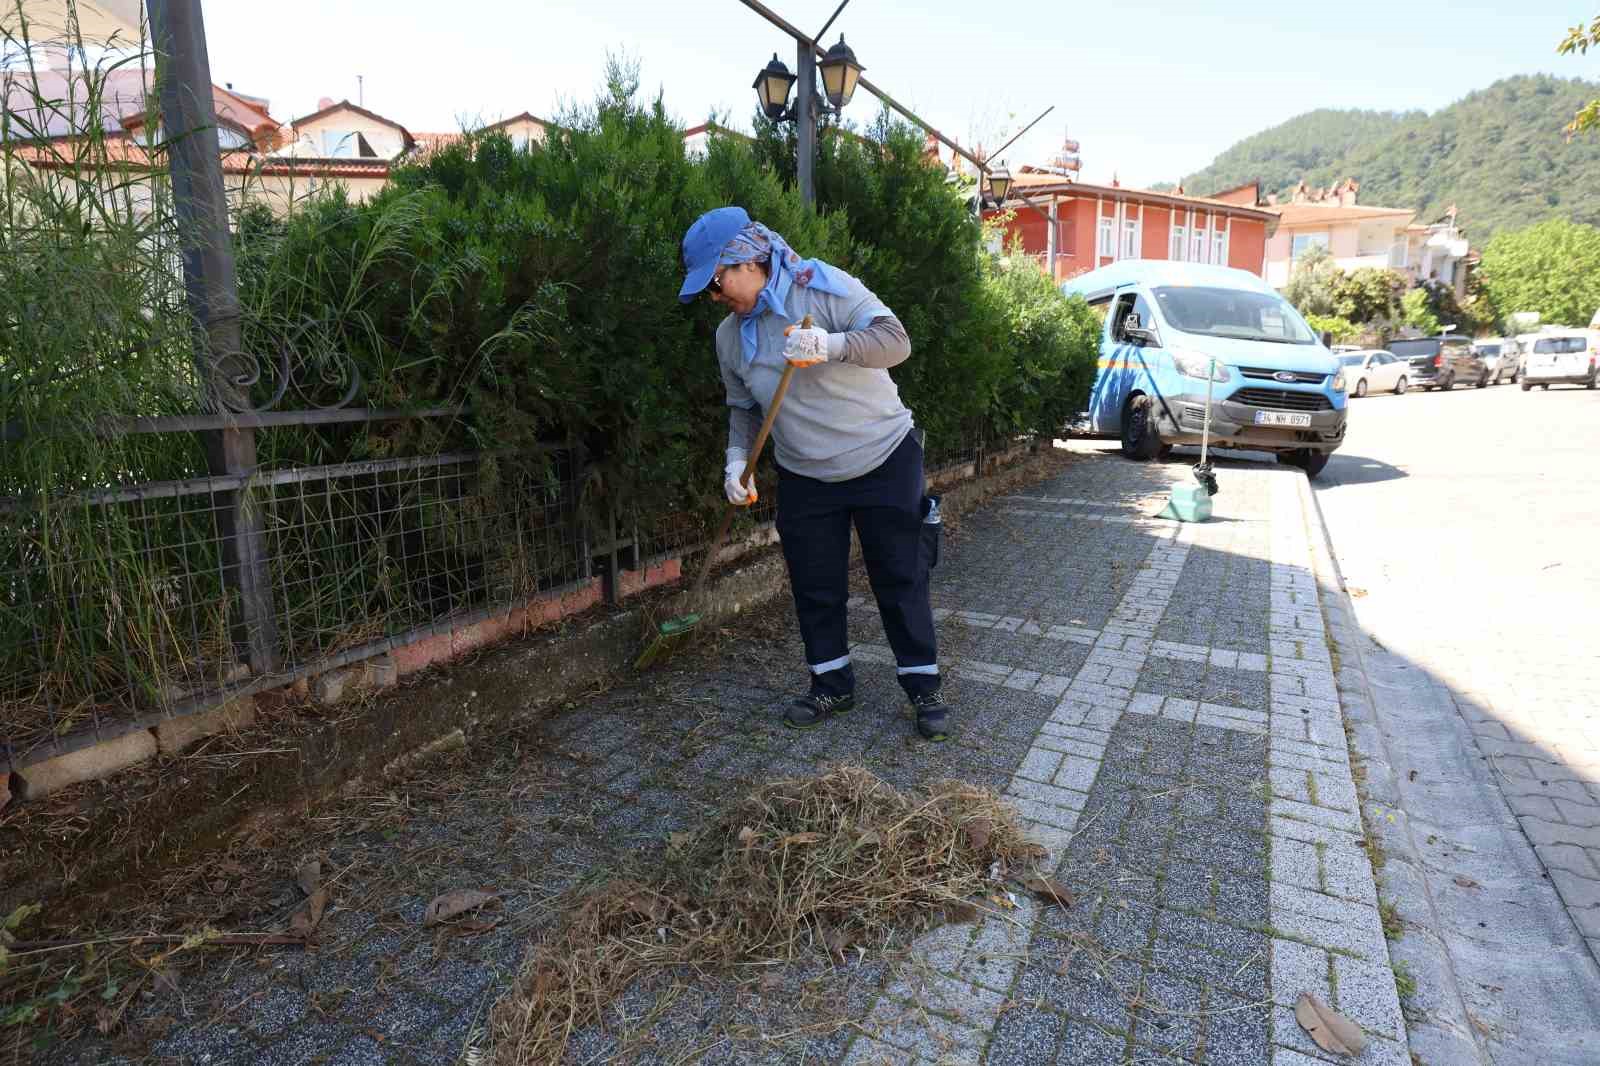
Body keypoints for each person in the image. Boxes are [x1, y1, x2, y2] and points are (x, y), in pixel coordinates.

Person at [677, 206, 950, 741]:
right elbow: (743, 408)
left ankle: (924, 687)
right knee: (814, 583)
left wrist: (831, 345)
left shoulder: (821, 287)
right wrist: (736, 461)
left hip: (882, 456)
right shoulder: (729, 337)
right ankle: (831, 684)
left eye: (715, 283)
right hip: (804, 472)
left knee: (899, 576)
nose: (714, 297)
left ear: (747, 261)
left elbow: (896, 340)